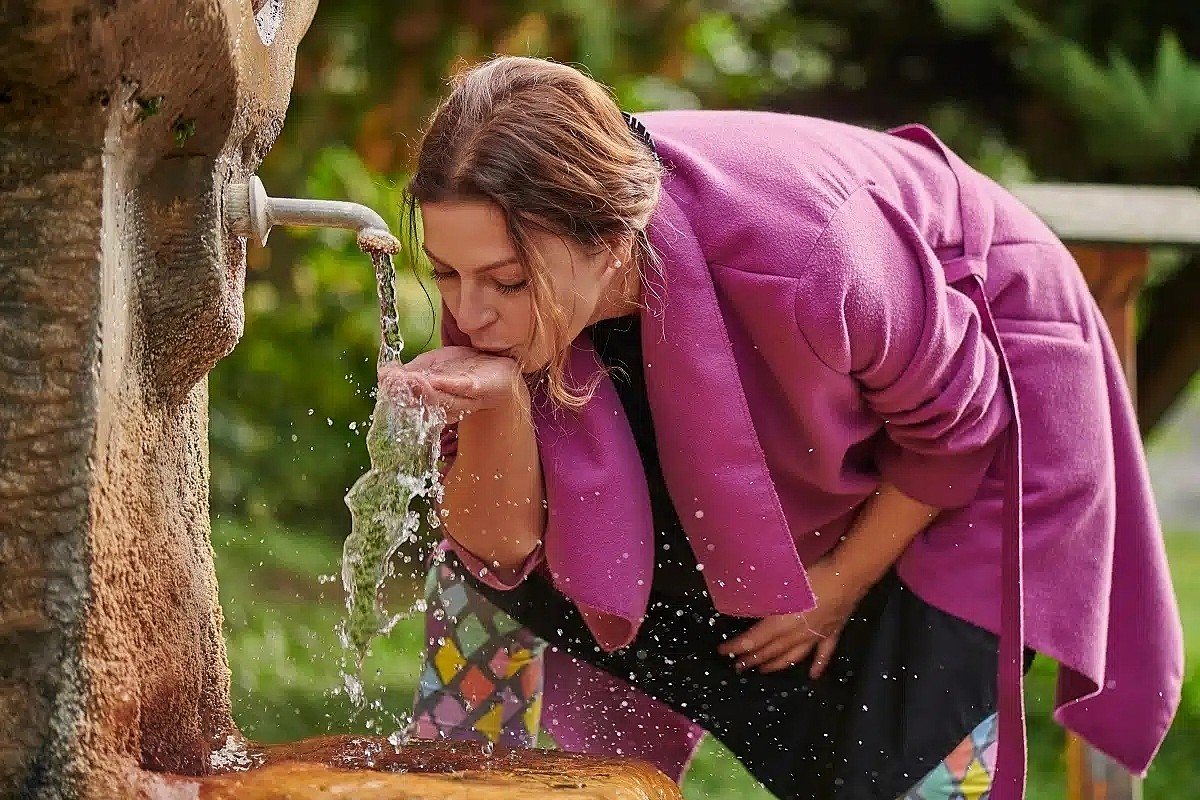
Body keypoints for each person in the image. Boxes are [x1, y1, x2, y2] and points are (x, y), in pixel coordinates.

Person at [380, 55, 1182, 800]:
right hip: (809, 360)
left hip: (985, 371)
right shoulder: (510, 264)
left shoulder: (810, 257)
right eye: (448, 274)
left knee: (897, 745)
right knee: (505, 597)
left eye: (506, 282)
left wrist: (834, 586)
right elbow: (499, 554)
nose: (471, 312)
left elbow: (960, 426)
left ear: (611, 238)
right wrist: (498, 406)